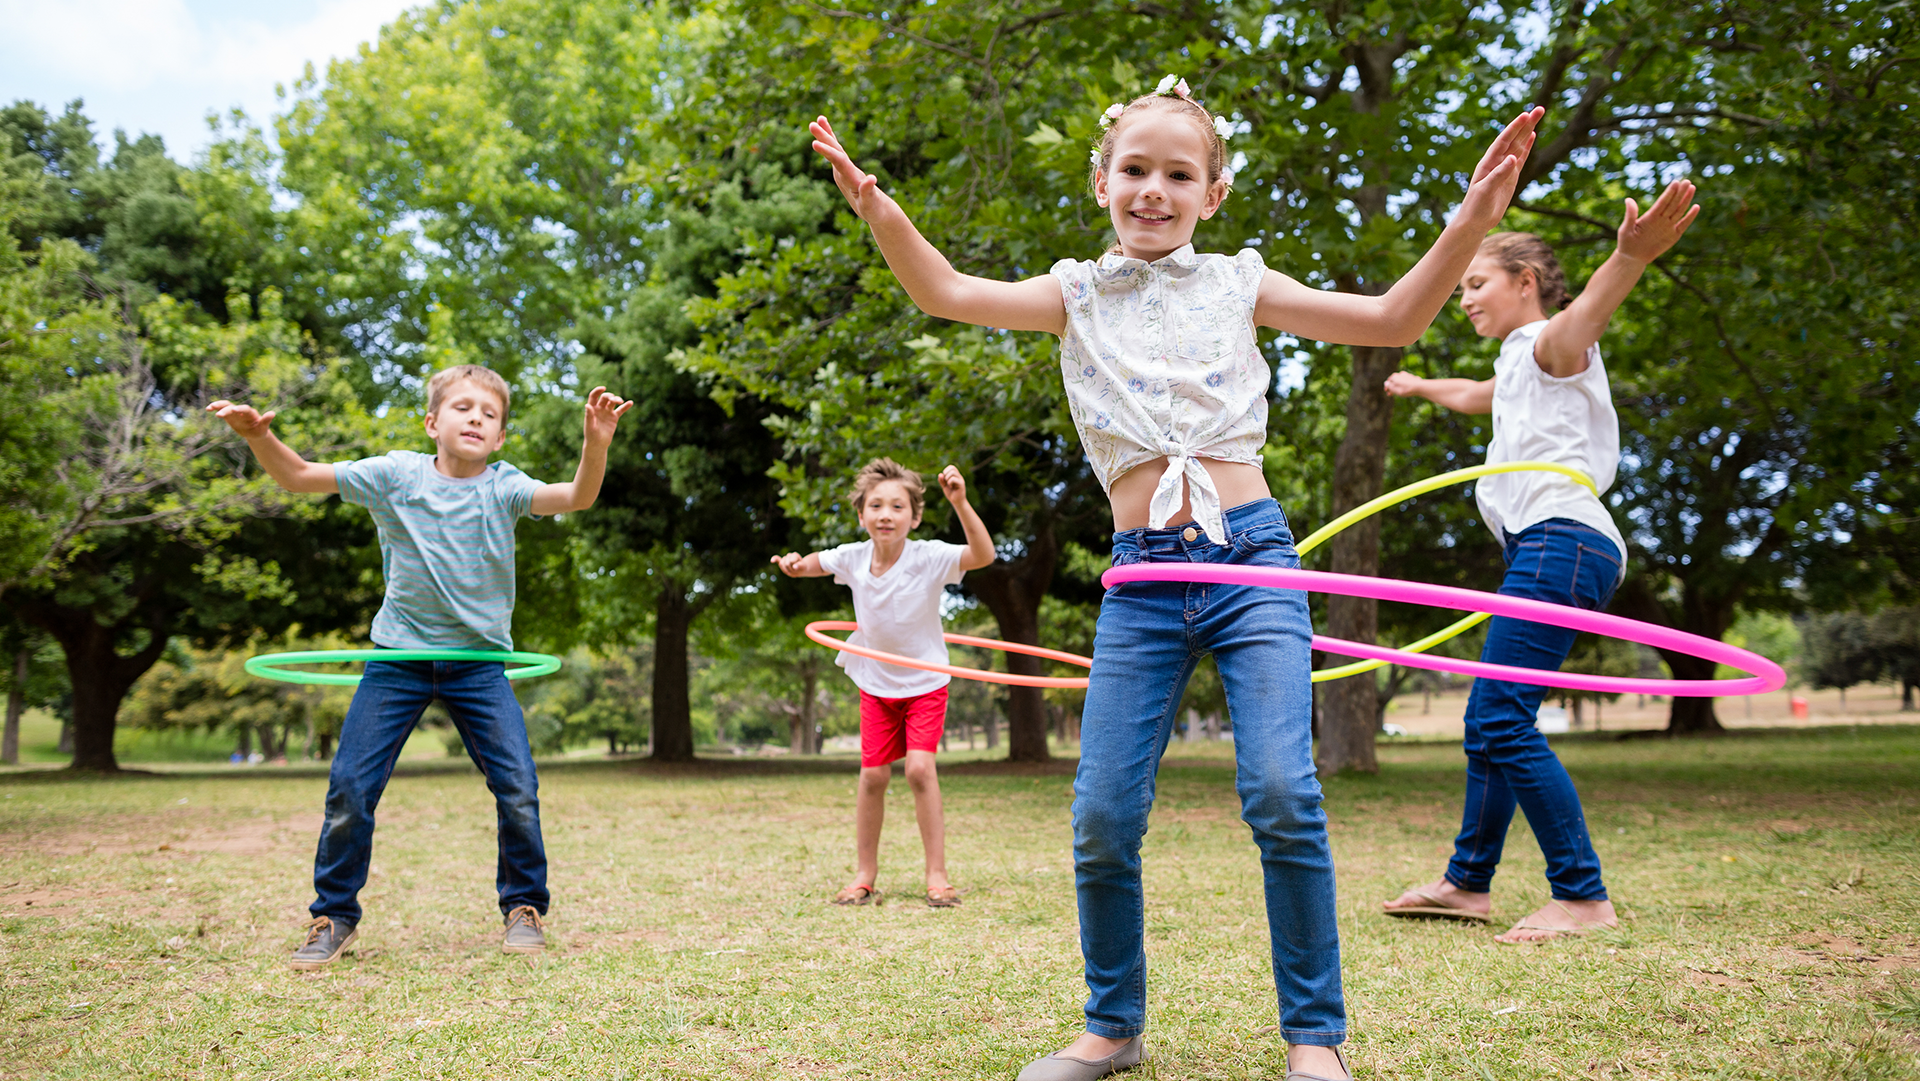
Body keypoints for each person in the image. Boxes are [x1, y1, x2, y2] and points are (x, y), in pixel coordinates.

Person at [810, 74, 1543, 1081]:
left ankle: (1314, 1038)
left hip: (1253, 559)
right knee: (1104, 810)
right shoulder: (1069, 294)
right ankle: (1113, 1027)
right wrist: (878, 208)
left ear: (1214, 191)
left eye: (1179, 174)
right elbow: (945, 292)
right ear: (1102, 178)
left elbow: (1391, 320)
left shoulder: (1243, 281)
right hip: (1143, 575)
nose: (1155, 189)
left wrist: (1469, 220)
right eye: (1137, 170)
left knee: (1284, 790)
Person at [207, 365, 632, 969]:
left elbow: (576, 496)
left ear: (501, 437)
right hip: (397, 661)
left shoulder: (504, 487)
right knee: (351, 787)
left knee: (518, 787)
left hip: (480, 664)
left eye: (490, 415)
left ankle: (523, 907)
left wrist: (596, 442)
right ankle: (333, 915)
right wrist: (257, 437)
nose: (477, 419)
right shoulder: (395, 475)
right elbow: (299, 476)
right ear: (433, 422)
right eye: (463, 408)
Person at [1378, 180, 1700, 943]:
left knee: (1499, 715)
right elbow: (1474, 394)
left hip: (1563, 537)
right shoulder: (1517, 368)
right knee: (1488, 721)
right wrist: (1422, 384)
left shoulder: (1553, 345)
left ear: (1526, 282)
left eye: (1476, 283)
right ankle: (1466, 883)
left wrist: (1628, 257)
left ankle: (1582, 894)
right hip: (1546, 544)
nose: (1464, 299)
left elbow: (1586, 315)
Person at [771, 458, 996, 907]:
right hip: (876, 683)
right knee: (872, 776)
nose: (886, 514)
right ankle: (864, 876)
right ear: (861, 515)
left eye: (897, 506)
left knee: (917, 769)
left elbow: (983, 555)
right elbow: (812, 563)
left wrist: (961, 502)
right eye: (876, 506)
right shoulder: (853, 557)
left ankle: (937, 875)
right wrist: (794, 565)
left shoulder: (929, 556)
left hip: (926, 681)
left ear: (914, 517)